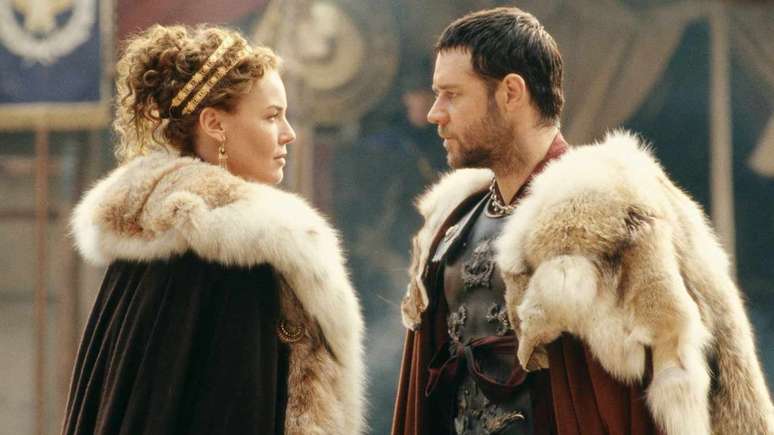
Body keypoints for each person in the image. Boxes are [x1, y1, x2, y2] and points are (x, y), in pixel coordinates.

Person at [392, 7, 773, 435]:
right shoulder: (451, 223)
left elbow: (682, 389)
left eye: (452, 94)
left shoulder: (617, 213)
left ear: (511, 93)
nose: (435, 112)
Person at [62, 25, 365, 435]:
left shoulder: (152, 239)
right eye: (271, 116)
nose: (288, 134)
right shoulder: (233, 253)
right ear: (215, 123)